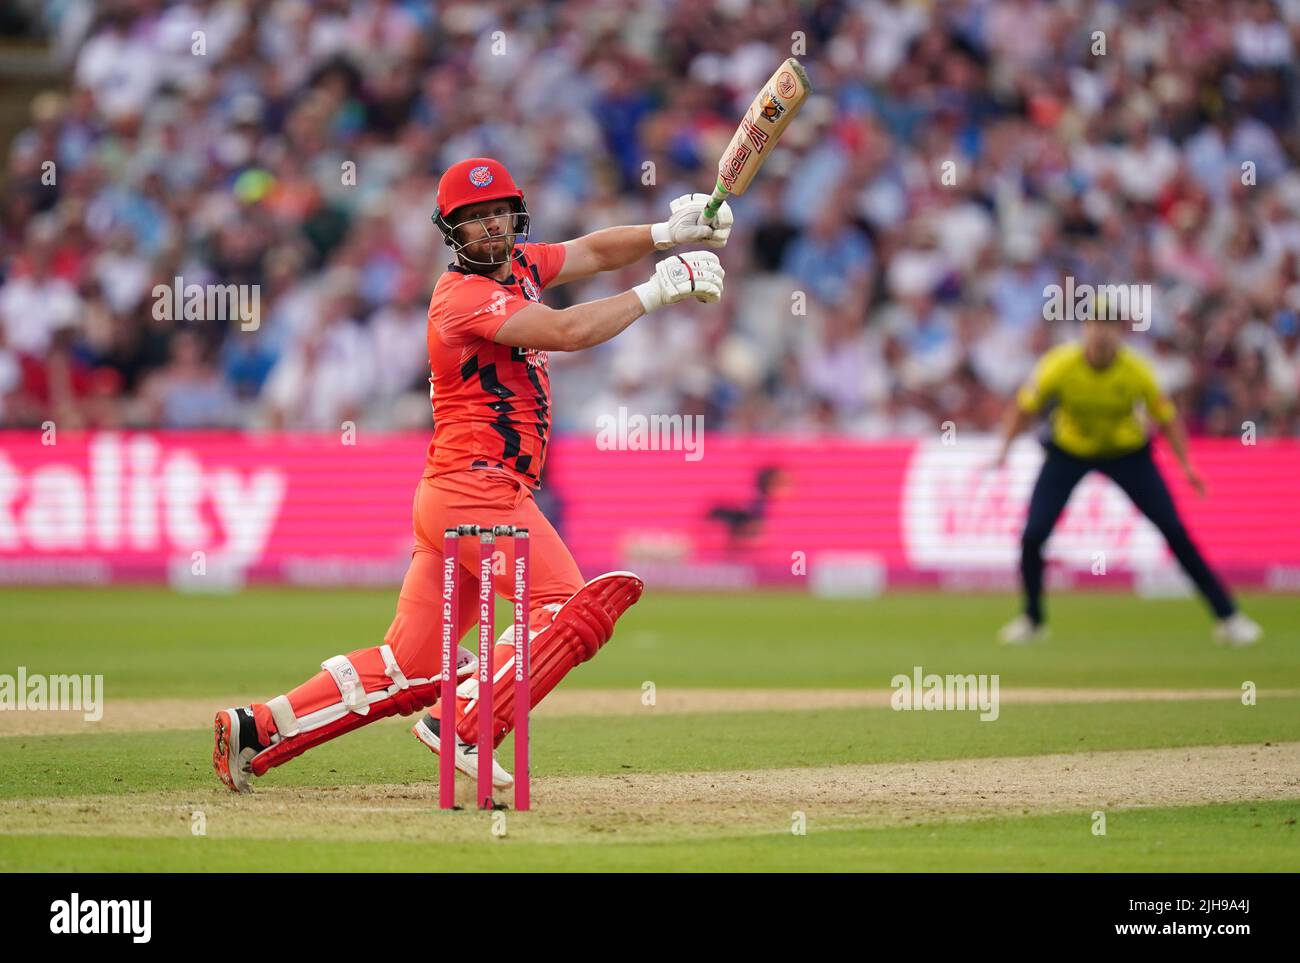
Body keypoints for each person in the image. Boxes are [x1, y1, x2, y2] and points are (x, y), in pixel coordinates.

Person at [213, 157, 732, 793]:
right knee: (567, 607)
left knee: (413, 664)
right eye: (474, 218)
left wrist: (667, 233)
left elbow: (590, 251)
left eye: (497, 214)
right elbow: (566, 330)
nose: (489, 227)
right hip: (476, 489)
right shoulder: (460, 296)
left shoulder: (522, 265)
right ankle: (462, 723)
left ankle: (254, 727)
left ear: (514, 216)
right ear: (451, 230)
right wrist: (660, 289)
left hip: (453, 493)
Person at [990, 315, 1262, 647]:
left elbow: (1167, 418)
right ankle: (1032, 620)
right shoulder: (1058, 365)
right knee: (1033, 534)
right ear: (1084, 330)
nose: (1101, 333)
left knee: (1174, 531)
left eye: (1109, 326)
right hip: (1069, 451)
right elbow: (1023, 407)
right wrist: (1004, 448)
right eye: (1094, 325)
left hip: (1127, 453)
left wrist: (1186, 465)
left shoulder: (1137, 370)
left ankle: (1229, 617)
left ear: (1119, 333)